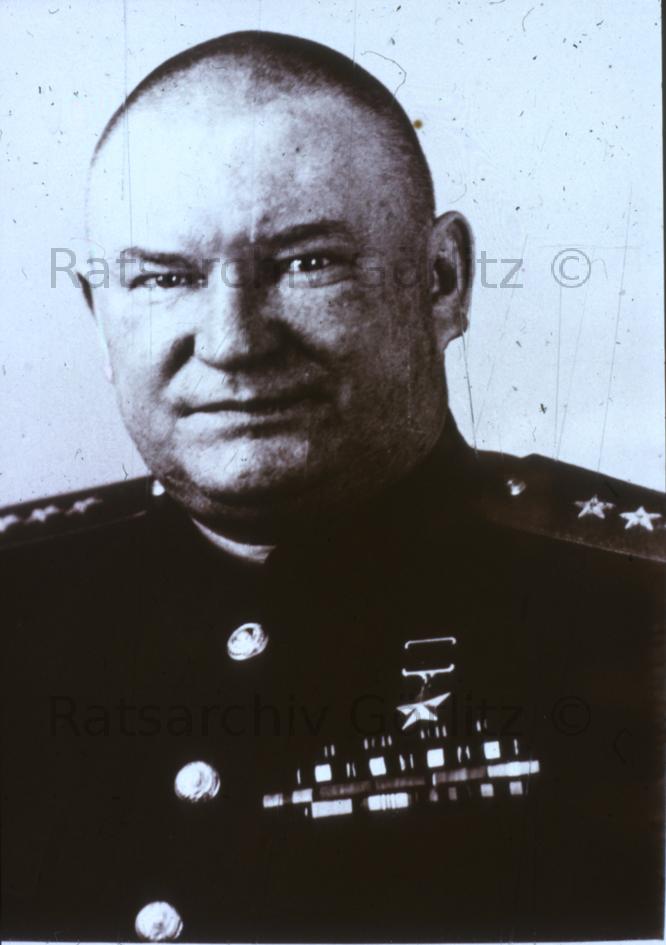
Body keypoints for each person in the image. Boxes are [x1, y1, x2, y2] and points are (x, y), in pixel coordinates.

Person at [1, 30, 664, 944]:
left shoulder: (638, 605)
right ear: (96, 313)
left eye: (306, 262)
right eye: (164, 277)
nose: (233, 341)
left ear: (443, 281)